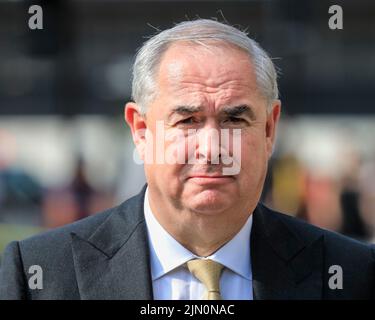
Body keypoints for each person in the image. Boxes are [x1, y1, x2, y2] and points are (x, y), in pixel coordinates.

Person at [0, 19, 374, 300]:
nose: (211, 148)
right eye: (188, 120)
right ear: (141, 130)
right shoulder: (40, 276)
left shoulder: (352, 275)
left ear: (269, 129)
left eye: (234, 118)